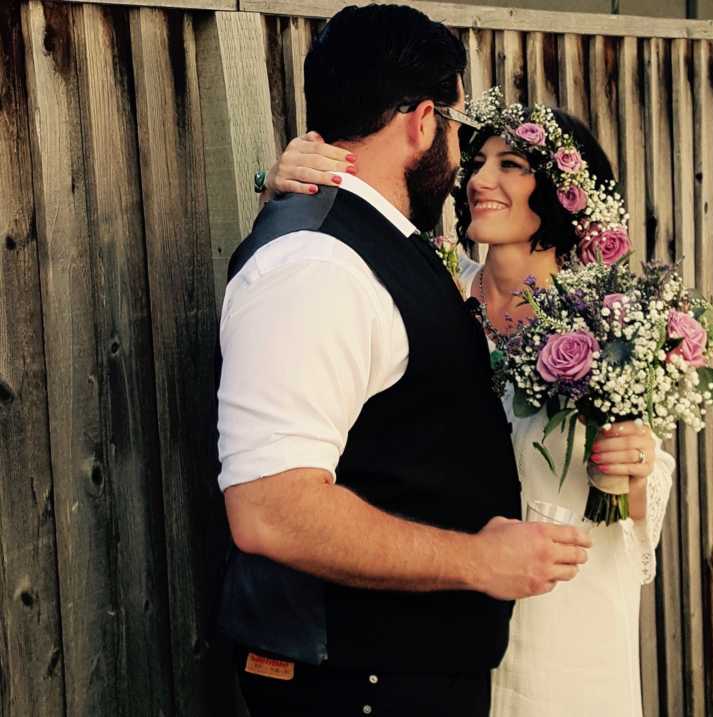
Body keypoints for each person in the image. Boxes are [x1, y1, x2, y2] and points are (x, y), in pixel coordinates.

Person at [216, 7, 592, 717]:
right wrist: (477, 559)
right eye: (453, 126)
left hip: (402, 677)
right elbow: (271, 510)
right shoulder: (313, 263)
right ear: (421, 121)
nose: (458, 154)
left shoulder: (376, 243)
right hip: (358, 685)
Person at [268, 101, 676, 716]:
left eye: (511, 165)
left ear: (566, 189)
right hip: (449, 605)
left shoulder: (613, 318)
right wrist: (284, 182)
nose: (480, 180)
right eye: (478, 162)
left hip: (569, 610)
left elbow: (639, 500)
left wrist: (638, 467)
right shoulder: (430, 288)